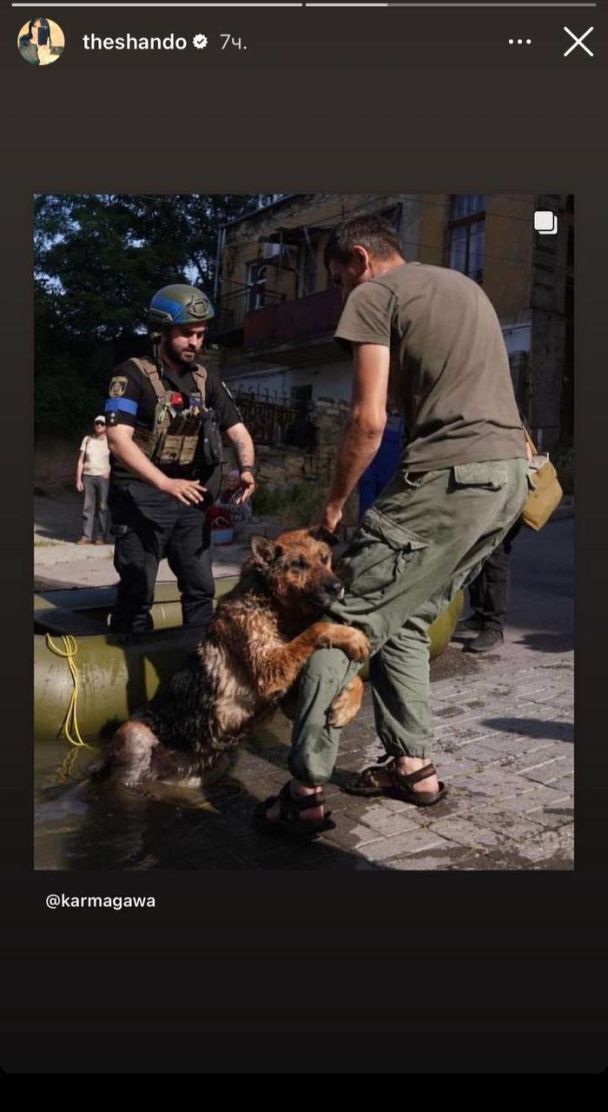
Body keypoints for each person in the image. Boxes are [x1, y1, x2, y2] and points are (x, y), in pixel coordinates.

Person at [257, 214, 529, 835]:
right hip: (509, 479)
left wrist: (330, 508)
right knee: (403, 620)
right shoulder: (463, 287)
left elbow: (367, 420)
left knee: (343, 620)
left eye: (338, 277)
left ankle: (303, 791)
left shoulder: (378, 294)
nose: (343, 292)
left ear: (360, 258)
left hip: (449, 476)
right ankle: (413, 766)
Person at [105, 283, 256, 638]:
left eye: (201, 335)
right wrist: (164, 483)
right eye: (187, 333)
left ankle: (198, 668)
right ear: (161, 331)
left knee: (201, 589)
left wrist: (247, 470)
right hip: (141, 495)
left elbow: (239, 433)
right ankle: (129, 671)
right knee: (137, 591)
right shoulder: (131, 375)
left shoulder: (206, 382)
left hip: (190, 498)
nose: (195, 342)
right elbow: (117, 439)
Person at [456, 518, 523, 652]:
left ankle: (494, 627)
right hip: (482, 504)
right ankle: (480, 616)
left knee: (495, 555)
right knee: (475, 553)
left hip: (505, 506)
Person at [357, 407, 405, 518]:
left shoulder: (406, 422)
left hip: (392, 478)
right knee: (366, 513)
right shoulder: (373, 414)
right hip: (369, 471)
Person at [75, 415, 111, 545]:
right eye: (97, 423)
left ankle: (101, 536)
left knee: (102, 507)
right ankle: (86, 536)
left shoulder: (110, 441)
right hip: (88, 476)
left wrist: (109, 471)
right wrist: (78, 479)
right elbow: (80, 460)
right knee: (87, 506)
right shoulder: (87, 439)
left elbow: (116, 459)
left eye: (102, 423)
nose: (99, 426)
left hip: (103, 477)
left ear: (106, 426)